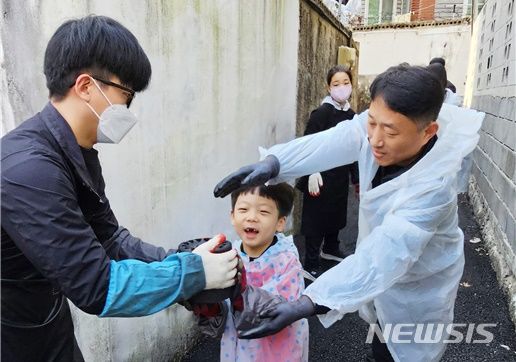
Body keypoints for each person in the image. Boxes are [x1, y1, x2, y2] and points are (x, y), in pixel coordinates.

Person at [1, 15, 237, 361]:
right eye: (126, 95)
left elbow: (110, 238)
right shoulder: (29, 170)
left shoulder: (75, 152)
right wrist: (192, 274)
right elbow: (98, 287)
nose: (128, 109)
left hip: (47, 326)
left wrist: (180, 260)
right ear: (85, 87)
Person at [213, 64, 485, 361]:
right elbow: (337, 138)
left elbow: (382, 258)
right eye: (372, 123)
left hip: (418, 286)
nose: (375, 140)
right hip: (381, 274)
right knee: (379, 338)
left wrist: (307, 302)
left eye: (390, 131)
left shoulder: (435, 188)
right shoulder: (377, 129)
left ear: (427, 132)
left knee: (406, 351)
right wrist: (275, 163)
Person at [220, 183, 309, 361]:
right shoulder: (230, 254)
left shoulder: (287, 259)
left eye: (263, 212)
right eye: (243, 209)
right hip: (238, 340)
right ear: (232, 215)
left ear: (280, 222)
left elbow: (278, 305)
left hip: (276, 344)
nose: (251, 217)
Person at [296, 65, 359, 279]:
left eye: (346, 83)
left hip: (339, 177)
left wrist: (356, 179)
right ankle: (310, 261)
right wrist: (311, 171)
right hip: (319, 176)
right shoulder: (321, 113)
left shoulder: (352, 116)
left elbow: (354, 148)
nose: (341, 88)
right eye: (336, 84)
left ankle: (331, 248)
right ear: (328, 87)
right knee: (316, 220)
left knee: (336, 214)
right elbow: (307, 143)